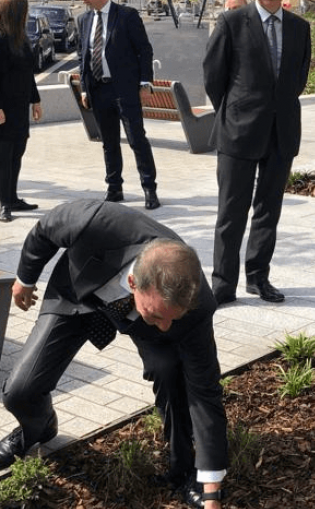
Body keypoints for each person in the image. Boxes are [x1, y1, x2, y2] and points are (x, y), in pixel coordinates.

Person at [2, 200, 228, 508]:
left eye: (172, 318)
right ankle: (37, 428)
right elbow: (45, 229)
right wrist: (25, 280)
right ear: (134, 282)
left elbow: (205, 391)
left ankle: (183, 468)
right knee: (19, 391)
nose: (165, 328)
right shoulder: (93, 221)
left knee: (170, 371)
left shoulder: (195, 303)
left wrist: (212, 488)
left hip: (136, 318)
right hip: (77, 295)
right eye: (158, 315)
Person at [203, 0, 311, 306]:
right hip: (238, 132)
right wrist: (236, 110)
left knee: (268, 210)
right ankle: (223, 284)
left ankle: (258, 277)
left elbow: (299, 78)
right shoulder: (231, 22)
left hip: (282, 132)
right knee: (231, 212)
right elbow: (213, 77)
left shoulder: (300, 27)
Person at [77, 0, 160, 210]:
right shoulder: (84, 20)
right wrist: (84, 88)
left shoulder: (126, 16)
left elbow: (144, 50)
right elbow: (82, 56)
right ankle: (114, 188)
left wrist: (145, 83)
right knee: (109, 142)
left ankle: (149, 189)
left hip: (124, 89)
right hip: (97, 89)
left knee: (136, 139)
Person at [0, 0, 42, 223]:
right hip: (3, 110)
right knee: (3, 158)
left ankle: (12, 198)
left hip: (18, 109)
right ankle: (4, 204)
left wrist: (35, 100)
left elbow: (28, 74)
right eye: (24, 11)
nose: (27, 15)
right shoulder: (0, 39)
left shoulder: (21, 38)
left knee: (17, 154)